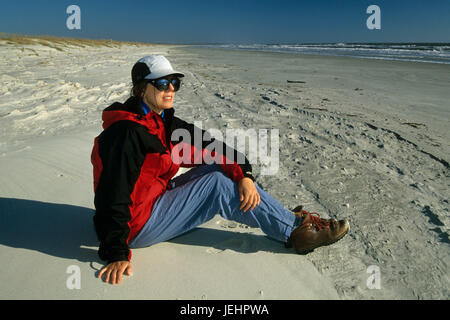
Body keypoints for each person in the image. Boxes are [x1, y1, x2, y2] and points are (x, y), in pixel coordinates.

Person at [91, 55, 350, 285]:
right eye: (161, 83)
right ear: (141, 88)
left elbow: (210, 145)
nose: (170, 89)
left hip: (152, 198)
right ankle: (295, 230)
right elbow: (112, 195)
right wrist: (116, 252)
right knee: (216, 185)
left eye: (174, 83)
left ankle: (282, 217)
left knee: (220, 167)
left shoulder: (159, 120)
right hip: (135, 225)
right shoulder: (126, 133)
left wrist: (244, 174)